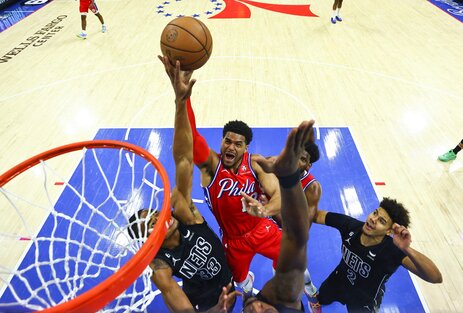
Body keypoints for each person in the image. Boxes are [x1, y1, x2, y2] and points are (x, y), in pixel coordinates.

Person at [158, 56, 320, 312]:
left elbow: (277, 194)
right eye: (227, 141)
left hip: (261, 229)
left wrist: (265, 210)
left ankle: (311, 291)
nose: (231, 147)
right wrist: (183, 98)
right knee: (241, 282)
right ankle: (248, 291)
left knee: (294, 262)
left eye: (238, 143)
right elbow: (191, 138)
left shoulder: (254, 164)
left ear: (246, 147)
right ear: (222, 142)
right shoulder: (211, 166)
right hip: (232, 240)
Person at [127, 58, 240, 312]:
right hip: (208, 302)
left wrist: (180, 102)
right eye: (151, 223)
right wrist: (218, 309)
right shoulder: (159, 266)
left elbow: (184, 158)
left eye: (155, 213)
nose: (159, 217)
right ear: (148, 240)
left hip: (227, 274)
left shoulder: (182, 211)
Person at [239, 119, 317, 313]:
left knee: (301, 277)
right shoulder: (276, 163)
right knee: (285, 278)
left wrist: (271, 211)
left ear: (309, 165)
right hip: (273, 229)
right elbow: (253, 162)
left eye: (303, 158)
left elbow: (302, 229)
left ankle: (312, 293)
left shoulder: (312, 188)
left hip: (287, 232)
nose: (298, 161)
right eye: (295, 155)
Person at [312, 198, 442, 312]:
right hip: (338, 279)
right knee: (321, 298)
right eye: (375, 213)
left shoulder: (392, 250)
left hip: (364, 299)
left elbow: (435, 277)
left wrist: (407, 249)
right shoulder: (351, 226)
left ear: (389, 231)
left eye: (381, 221)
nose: (373, 219)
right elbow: (318, 215)